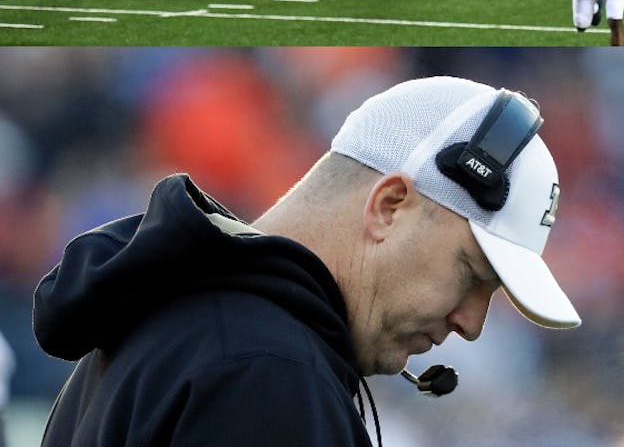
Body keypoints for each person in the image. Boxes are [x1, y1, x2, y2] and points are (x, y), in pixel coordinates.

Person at [35, 75, 580, 446]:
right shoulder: (264, 370)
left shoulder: (190, 329)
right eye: (471, 275)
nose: (472, 323)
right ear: (390, 206)